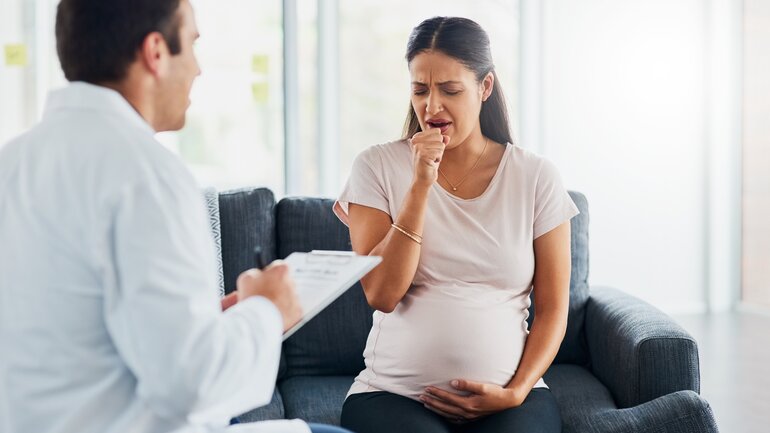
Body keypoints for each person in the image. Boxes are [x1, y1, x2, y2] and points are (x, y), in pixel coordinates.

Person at [0, 1, 350, 433]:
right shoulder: (145, 173)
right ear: (156, 52)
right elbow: (193, 383)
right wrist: (266, 309)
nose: (198, 70)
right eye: (193, 45)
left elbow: (80, 332)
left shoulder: (12, 163)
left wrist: (210, 321)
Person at [333, 16, 579, 433]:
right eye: (419, 90)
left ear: (485, 88)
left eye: (450, 90)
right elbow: (382, 293)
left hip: (509, 399)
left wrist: (517, 391)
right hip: (391, 396)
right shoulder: (375, 166)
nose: (431, 107)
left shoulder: (536, 177)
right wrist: (420, 186)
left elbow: (553, 308)